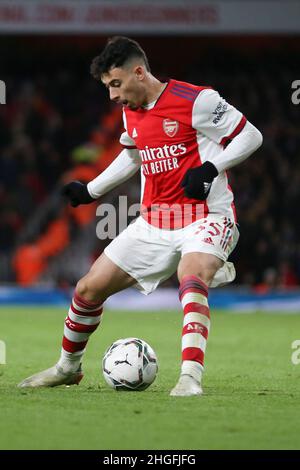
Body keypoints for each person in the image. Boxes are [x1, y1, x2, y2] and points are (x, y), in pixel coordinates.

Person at [18, 36, 263, 396]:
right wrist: (91, 190)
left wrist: (212, 166)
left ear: (139, 72)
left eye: (115, 84)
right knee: (87, 289)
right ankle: (67, 368)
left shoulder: (197, 100)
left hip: (206, 215)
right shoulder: (130, 109)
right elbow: (133, 155)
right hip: (154, 222)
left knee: (190, 275)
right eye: (107, 87)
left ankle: (190, 378)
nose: (112, 95)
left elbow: (250, 136)